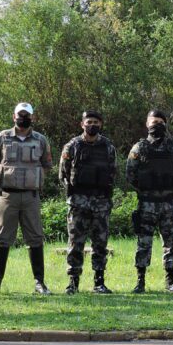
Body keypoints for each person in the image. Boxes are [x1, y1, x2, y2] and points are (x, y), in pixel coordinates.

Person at [0, 102, 53, 294]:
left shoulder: (40, 140)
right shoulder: (2, 137)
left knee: (35, 238)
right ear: (14, 116)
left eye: (27, 115)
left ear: (33, 118)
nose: (23, 117)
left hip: (31, 197)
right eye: (20, 114)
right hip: (7, 197)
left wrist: (32, 179)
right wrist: (2, 177)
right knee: (2, 238)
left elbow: (47, 165)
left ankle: (39, 283)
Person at [58, 110, 118, 294]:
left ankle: (99, 282)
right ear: (82, 124)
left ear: (101, 125)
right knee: (76, 242)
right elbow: (63, 174)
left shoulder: (108, 147)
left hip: (101, 202)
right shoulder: (72, 146)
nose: (93, 125)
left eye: (96, 122)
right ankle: (73, 282)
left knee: (100, 243)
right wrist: (73, 195)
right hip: (78, 202)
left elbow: (114, 172)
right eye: (89, 121)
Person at [125, 110, 173, 293]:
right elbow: (130, 173)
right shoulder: (139, 148)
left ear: (165, 124)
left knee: (172, 242)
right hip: (147, 203)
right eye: (153, 121)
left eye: (160, 121)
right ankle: (140, 282)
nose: (156, 124)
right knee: (144, 243)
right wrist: (146, 187)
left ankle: (170, 282)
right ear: (147, 124)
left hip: (169, 202)